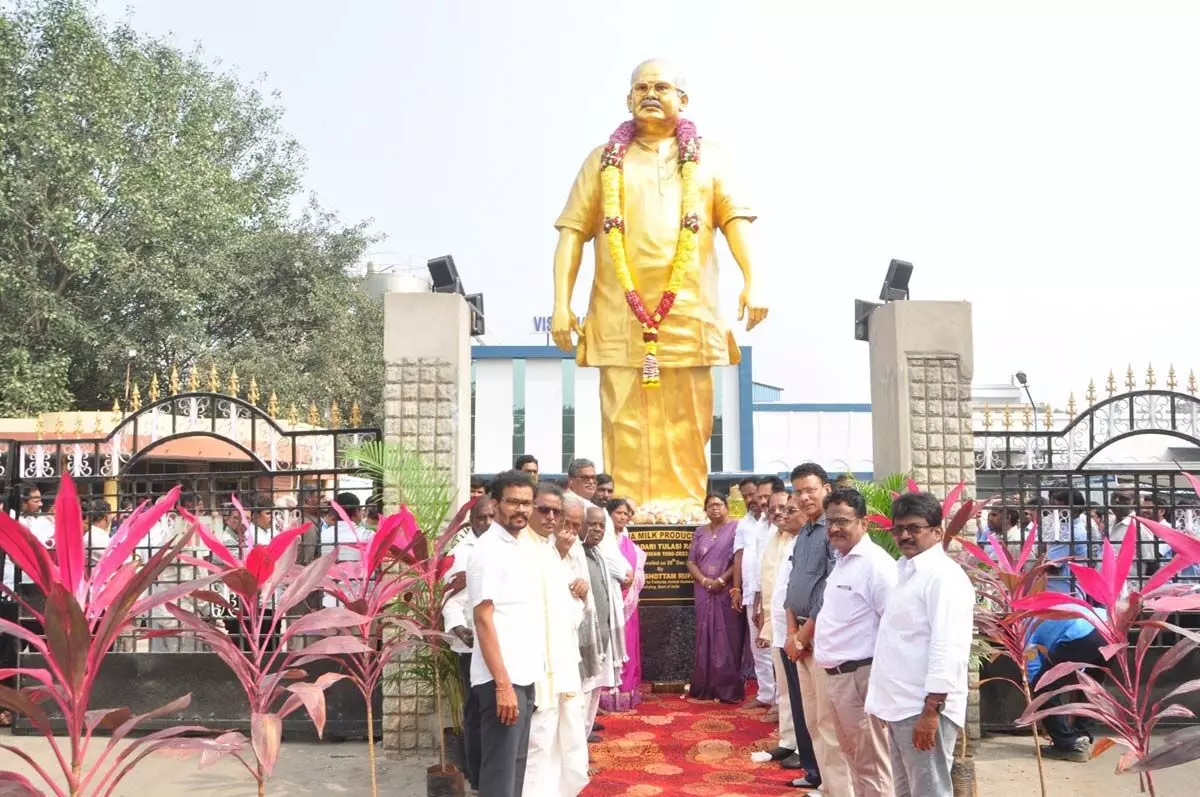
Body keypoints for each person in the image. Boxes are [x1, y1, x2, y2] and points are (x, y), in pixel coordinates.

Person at [550, 58, 767, 508]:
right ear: (628, 98)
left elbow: (736, 222)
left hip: (689, 311)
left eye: (661, 86)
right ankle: (626, 513)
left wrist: (754, 280)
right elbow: (572, 231)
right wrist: (560, 304)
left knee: (687, 422)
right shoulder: (602, 160)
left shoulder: (711, 157)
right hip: (618, 313)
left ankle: (685, 509)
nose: (650, 93)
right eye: (641, 87)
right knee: (623, 418)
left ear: (682, 100)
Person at [866, 492, 975, 797]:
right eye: (898, 528)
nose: (904, 535)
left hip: (924, 708)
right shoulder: (906, 572)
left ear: (937, 532)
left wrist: (931, 710)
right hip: (901, 705)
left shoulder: (943, 578)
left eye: (914, 528)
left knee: (930, 791)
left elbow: (948, 646)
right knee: (906, 791)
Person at [813, 488, 896, 797]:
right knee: (854, 761)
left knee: (873, 766)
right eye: (830, 521)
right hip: (839, 678)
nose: (835, 528)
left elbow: (894, 624)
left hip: (863, 677)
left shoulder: (876, 565)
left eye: (843, 521)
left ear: (864, 523)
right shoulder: (844, 561)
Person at [468, 470, 544, 797]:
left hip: (522, 677)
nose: (521, 510)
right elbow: (483, 620)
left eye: (527, 503)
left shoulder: (515, 546)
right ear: (495, 503)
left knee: (514, 768)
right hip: (502, 680)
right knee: (499, 775)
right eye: (513, 501)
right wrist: (503, 685)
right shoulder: (489, 550)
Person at [784, 463, 849, 794]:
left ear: (826, 489)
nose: (804, 497)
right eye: (798, 491)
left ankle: (840, 789)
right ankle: (825, 783)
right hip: (801, 637)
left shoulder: (831, 531)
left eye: (810, 489)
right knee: (812, 719)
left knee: (829, 721)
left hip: (821, 637)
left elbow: (828, 588)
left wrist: (804, 633)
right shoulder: (806, 531)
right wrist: (790, 631)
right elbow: (796, 584)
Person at [521, 483, 588, 797]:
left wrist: (581, 594)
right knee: (540, 740)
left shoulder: (553, 549)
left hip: (563, 659)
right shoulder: (521, 547)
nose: (550, 517)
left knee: (569, 735)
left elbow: (570, 609)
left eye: (556, 512)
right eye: (543, 509)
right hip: (537, 665)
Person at [443, 496, 495, 791]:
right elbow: (451, 598)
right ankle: (476, 776)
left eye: (491, 517)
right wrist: (459, 628)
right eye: (481, 518)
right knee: (475, 711)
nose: (486, 523)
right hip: (471, 644)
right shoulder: (463, 553)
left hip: (499, 641)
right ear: (472, 521)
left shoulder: (504, 547)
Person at [1025, 611, 1108, 762]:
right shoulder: (1041, 612)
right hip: (1109, 629)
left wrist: (1037, 703)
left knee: (1043, 687)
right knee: (1089, 685)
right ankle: (1082, 735)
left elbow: (1032, 666)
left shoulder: (1024, 626)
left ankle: (1068, 745)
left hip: (1082, 634)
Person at [686, 493, 744, 703]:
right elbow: (691, 562)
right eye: (710, 506)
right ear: (705, 510)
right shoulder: (700, 532)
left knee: (726, 637)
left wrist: (720, 580)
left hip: (727, 589)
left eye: (719, 505)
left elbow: (738, 560)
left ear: (727, 507)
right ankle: (704, 685)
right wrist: (703, 580)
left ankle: (727, 688)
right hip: (703, 590)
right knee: (705, 636)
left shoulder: (736, 528)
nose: (715, 509)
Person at [579, 502, 627, 741]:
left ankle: (583, 741)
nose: (597, 529)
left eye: (601, 525)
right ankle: (577, 750)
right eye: (592, 524)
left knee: (594, 692)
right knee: (581, 696)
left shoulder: (598, 553)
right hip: (583, 641)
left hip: (603, 636)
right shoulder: (573, 555)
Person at [732, 475, 775, 711]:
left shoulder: (775, 523)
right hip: (751, 592)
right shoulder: (745, 524)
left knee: (774, 645)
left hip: (772, 594)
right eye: (747, 496)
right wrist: (737, 588)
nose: (752, 500)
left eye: (756, 495)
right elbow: (739, 556)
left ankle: (780, 701)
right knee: (758, 646)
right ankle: (766, 694)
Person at [600, 497, 646, 712]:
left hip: (627, 606)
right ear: (609, 515)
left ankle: (626, 691)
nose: (623, 517)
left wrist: (629, 585)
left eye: (627, 514)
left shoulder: (630, 545)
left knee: (626, 645)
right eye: (619, 513)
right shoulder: (602, 541)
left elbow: (638, 575)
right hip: (607, 602)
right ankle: (605, 696)